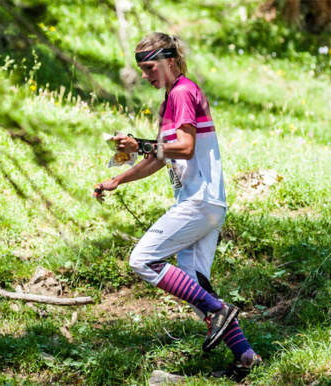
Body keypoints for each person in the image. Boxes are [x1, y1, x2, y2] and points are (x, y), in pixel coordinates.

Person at [93, 32, 262, 378]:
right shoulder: (173, 97)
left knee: (142, 259)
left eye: (149, 66)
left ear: (170, 61)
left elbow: (183, 147)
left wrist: (138, 143)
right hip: (206, 202)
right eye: (141, 68)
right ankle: (246, 358)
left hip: (199, 202)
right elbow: (161, 157)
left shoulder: (182, 92)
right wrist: (117, 180)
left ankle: (219, 309)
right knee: (193, 285)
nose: (144, 75)